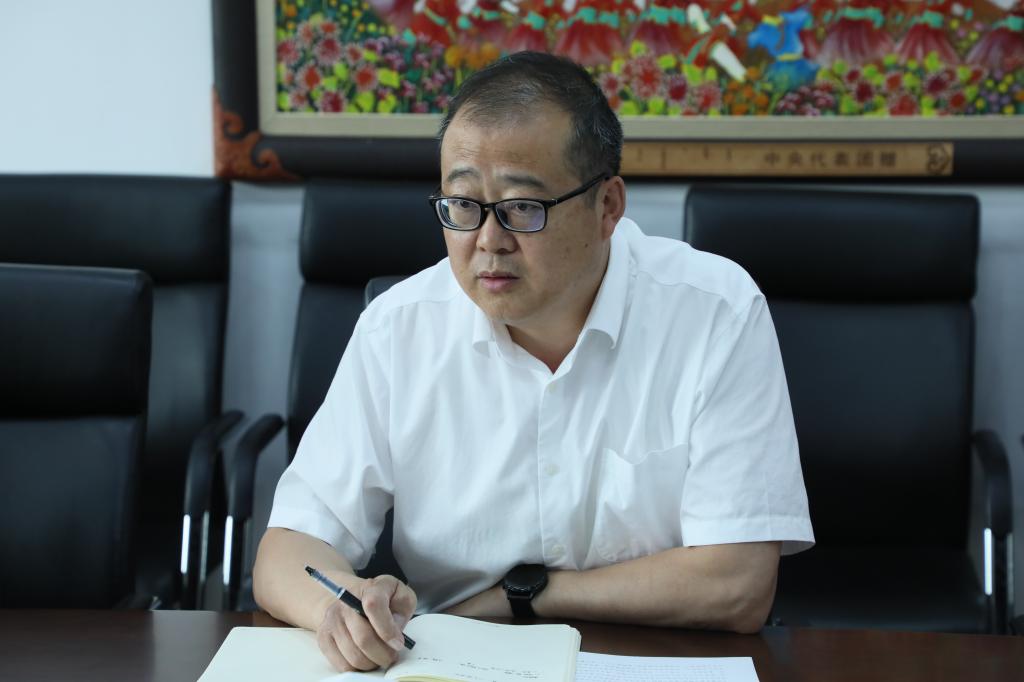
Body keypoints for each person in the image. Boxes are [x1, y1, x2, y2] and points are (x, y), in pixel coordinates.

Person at [253, 51, 814, 674]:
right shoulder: (398, 328)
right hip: (459, 664)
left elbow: (737, 584)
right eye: (463, 204)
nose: (488, 241)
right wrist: (342, 608)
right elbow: (289, 548)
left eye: (522, 207)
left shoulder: (713, 311)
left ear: (607, 207)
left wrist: (521, 597)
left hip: (659, 660)